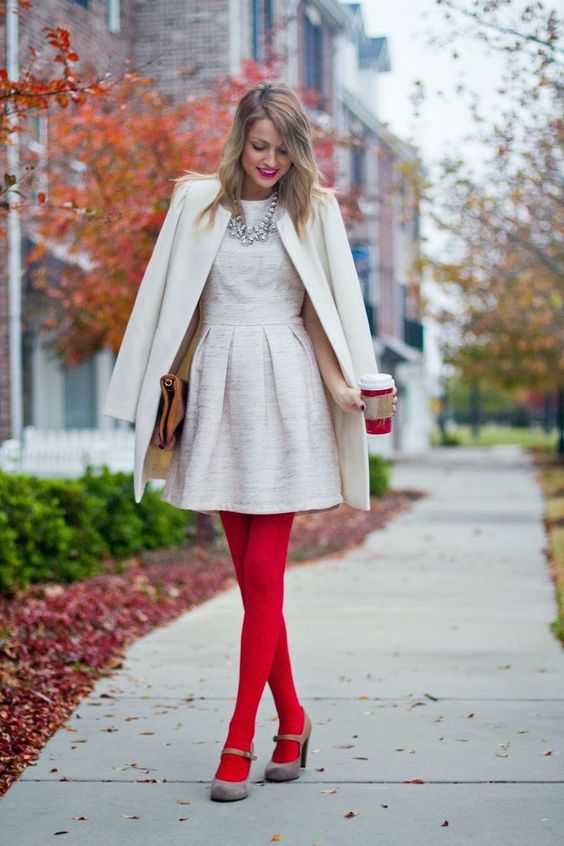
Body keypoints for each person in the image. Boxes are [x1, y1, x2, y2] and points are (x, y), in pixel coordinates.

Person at [103, 79, 397, 803]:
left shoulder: (315, 209)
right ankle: (292, 721)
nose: (270, 161)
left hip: (288, 391)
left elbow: (321, 312)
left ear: (299, 153)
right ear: (240, 140)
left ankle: (240, 738)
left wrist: (343, 389)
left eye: (283, 150)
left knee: (264, 572)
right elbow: (167, 304)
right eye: (260, 146)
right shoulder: (196, 205)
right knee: (254, 582)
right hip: (219, 394)